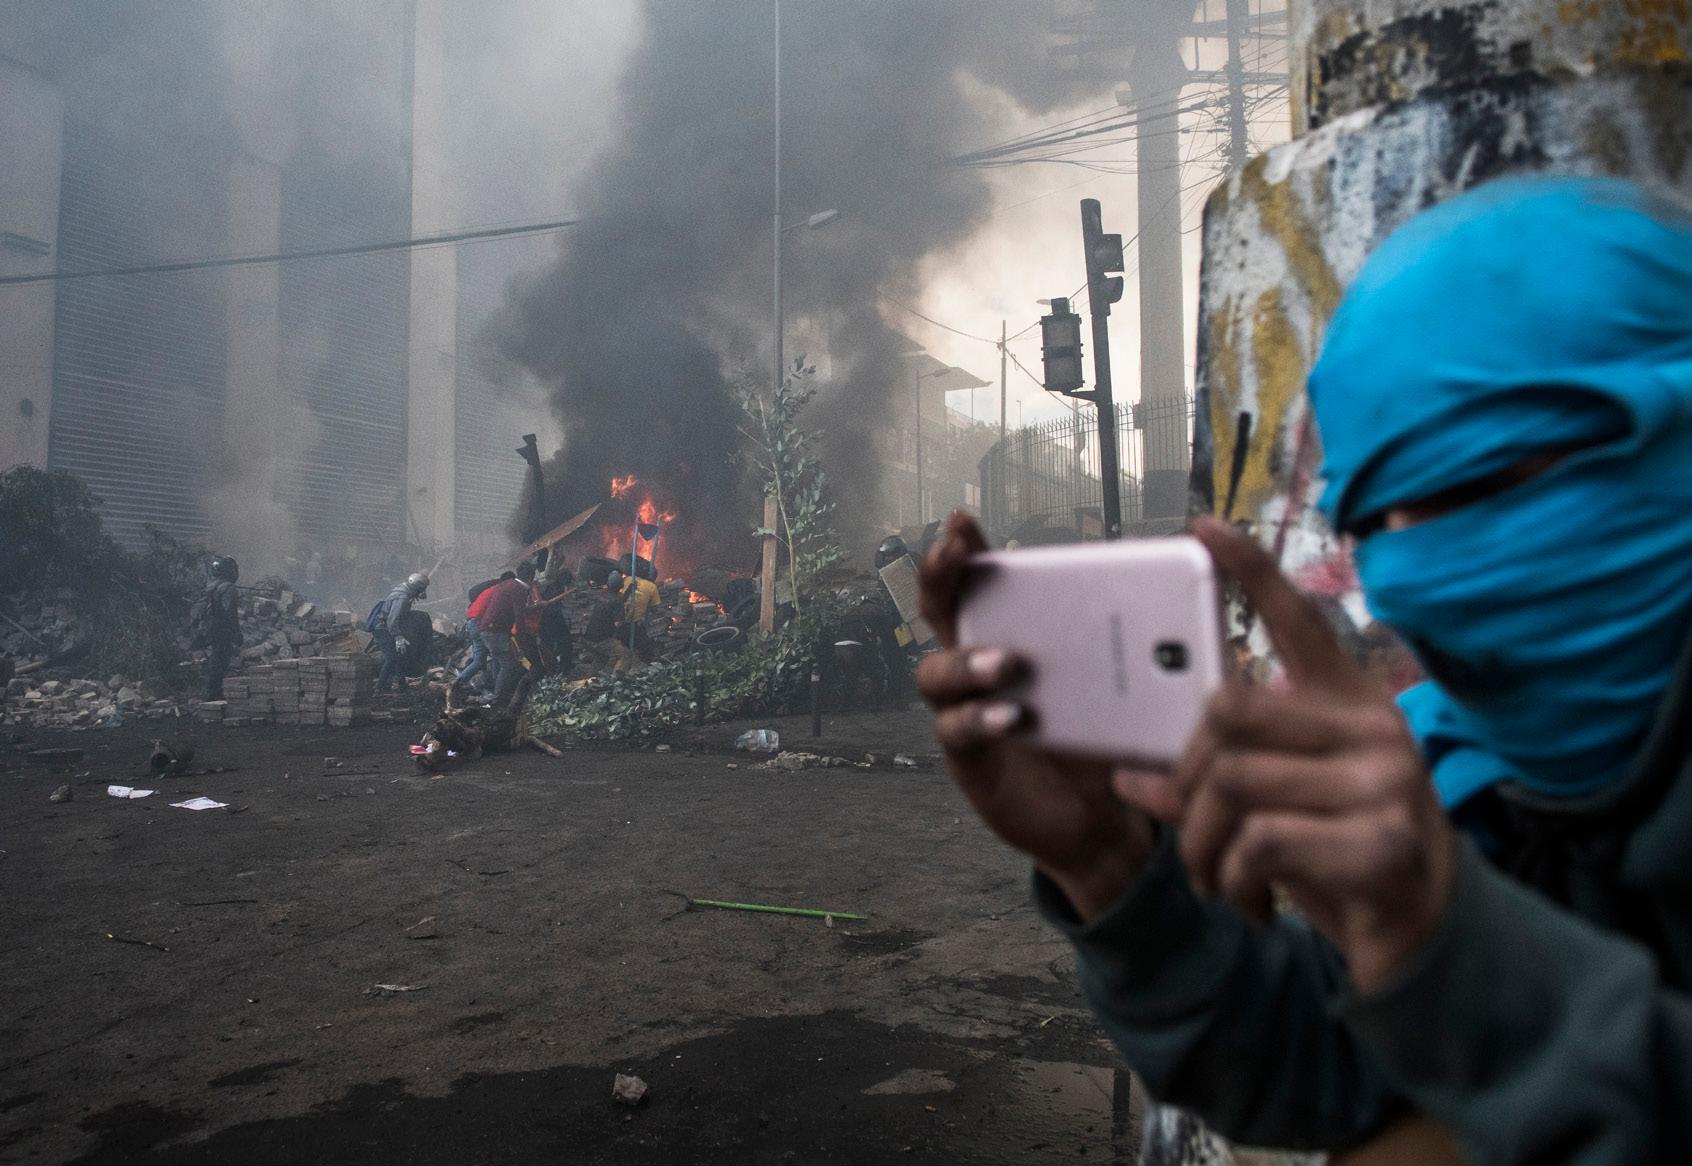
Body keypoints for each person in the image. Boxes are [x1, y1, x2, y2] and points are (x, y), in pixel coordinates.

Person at [917, 176, 1692, 1164]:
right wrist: (1113, 873)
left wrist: (1454, 954)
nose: (1421, 568)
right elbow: (1331, 1077)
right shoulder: (1472, 779)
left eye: (1481, 483)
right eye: (1380, 518)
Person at [475, 561, 535, 707]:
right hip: (495, 632)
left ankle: (499, 694)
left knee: (501, 662)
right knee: (510, 665)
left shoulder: (508, 584)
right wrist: (522, 641)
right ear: (531, 577)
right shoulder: (519, 589)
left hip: (488, 629)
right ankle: (499, 699)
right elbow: (519, 617)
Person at [456, 570, 516, 695]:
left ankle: (493, 684)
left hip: (472, 622)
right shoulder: (501, 591)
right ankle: (457, 684)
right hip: (480, 624)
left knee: (491, 656)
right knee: (490, 658)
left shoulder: (493, 587)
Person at [374, 571, 429, 693]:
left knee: (400, 655)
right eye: (421, 589)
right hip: (383, 629)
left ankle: (401, 684)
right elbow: (392, 619)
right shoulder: (402, 597)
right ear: (416, 587)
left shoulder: (404, 590)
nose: (422, 591)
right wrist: (398, 637)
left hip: (387, 628)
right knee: (391, 658)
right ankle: (379, 688)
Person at [200, 555, 242, 700]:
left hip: (209, 628)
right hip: (221, 629)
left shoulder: (212, 585)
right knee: (220, 659)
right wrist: (236, 632)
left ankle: (212, 690)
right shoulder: (228, 588)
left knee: (215, 658)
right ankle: (214, 694)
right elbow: (230, 611)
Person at [614, 569, 661, 672]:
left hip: (617, 622)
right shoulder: (652, 586)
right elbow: (655, 608)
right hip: (632, 625)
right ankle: (646, 668)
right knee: (646, 649)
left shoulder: (628, 579)